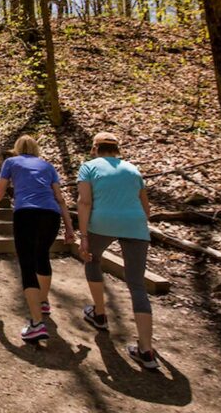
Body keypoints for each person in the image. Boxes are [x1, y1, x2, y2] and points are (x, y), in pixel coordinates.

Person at [76, 132, 158, 370]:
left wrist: (84, 236)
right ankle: (146, 350)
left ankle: (100, 314)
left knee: (92, 260)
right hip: (135, 224)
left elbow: (84, 202)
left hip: (101, 222)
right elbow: (146, 208)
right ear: (117, 149)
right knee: (137, 285)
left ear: (95, 148)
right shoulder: (133, 170)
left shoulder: (88, 167)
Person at [0, 135, 75, 342]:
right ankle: (42, 302)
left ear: (17, 148)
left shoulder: (11, 162)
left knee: (27, 263)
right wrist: (70, 228)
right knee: (42, 255)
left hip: (26, 213)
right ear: (36, 149)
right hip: (51, 215)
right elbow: (60, 198)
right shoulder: (47, 166)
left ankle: (36, 323)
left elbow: (0, 188)